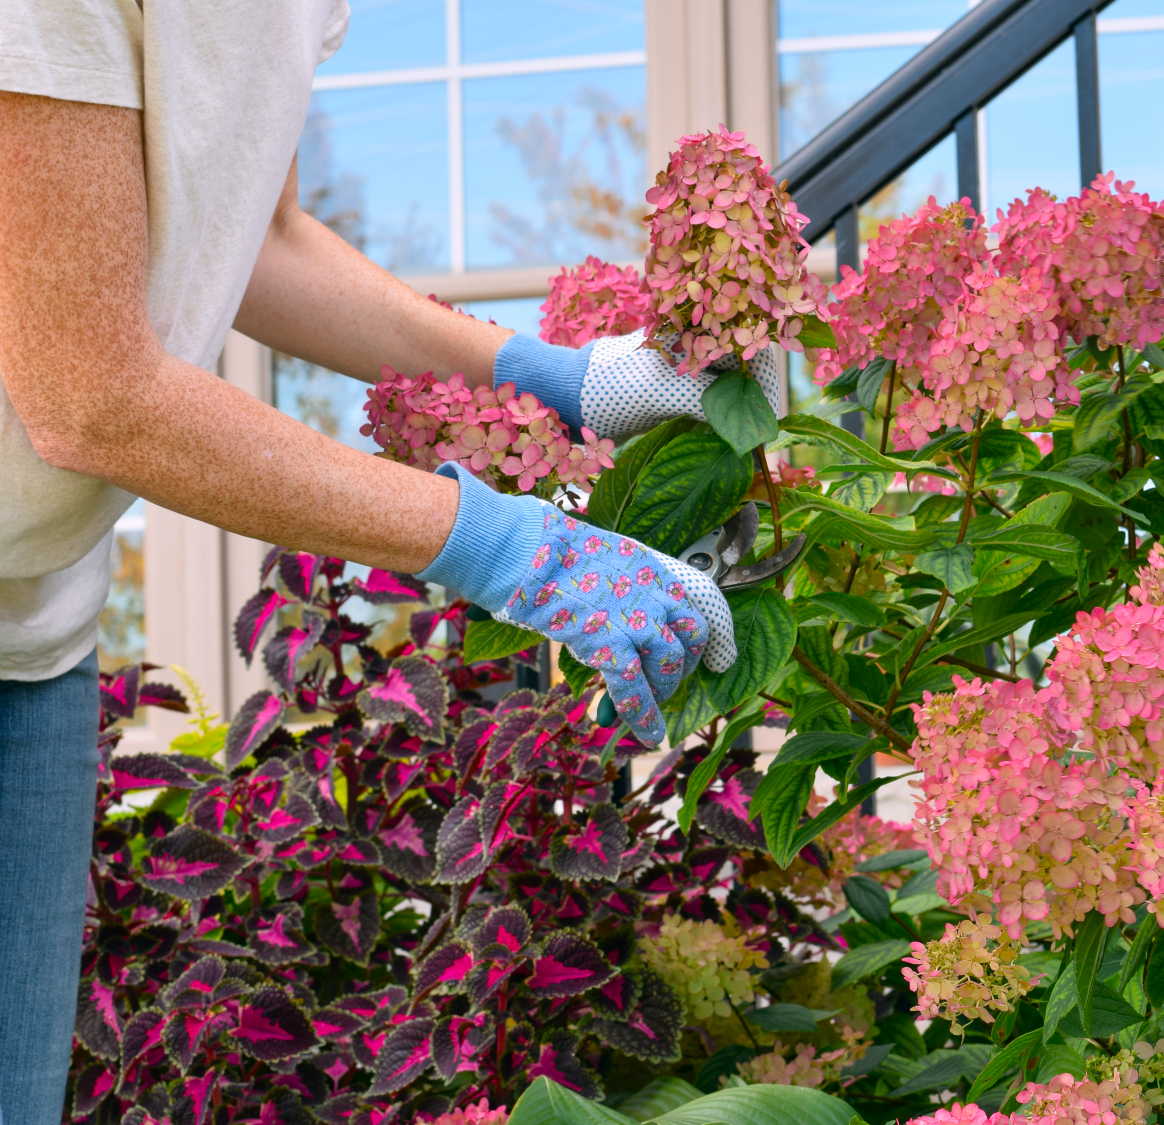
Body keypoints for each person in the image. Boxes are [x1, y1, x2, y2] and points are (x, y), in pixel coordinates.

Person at [0, 4, 779, 1119]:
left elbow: (256, 238)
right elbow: (90, 397)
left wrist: (547, 372)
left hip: (32, 625)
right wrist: (506, 543)